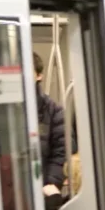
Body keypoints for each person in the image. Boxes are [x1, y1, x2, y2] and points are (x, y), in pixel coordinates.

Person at [33, 53, 69, 191]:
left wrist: (51, 184)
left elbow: (62, 151)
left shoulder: (54, 112)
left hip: (42, 191)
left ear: (39, 76)